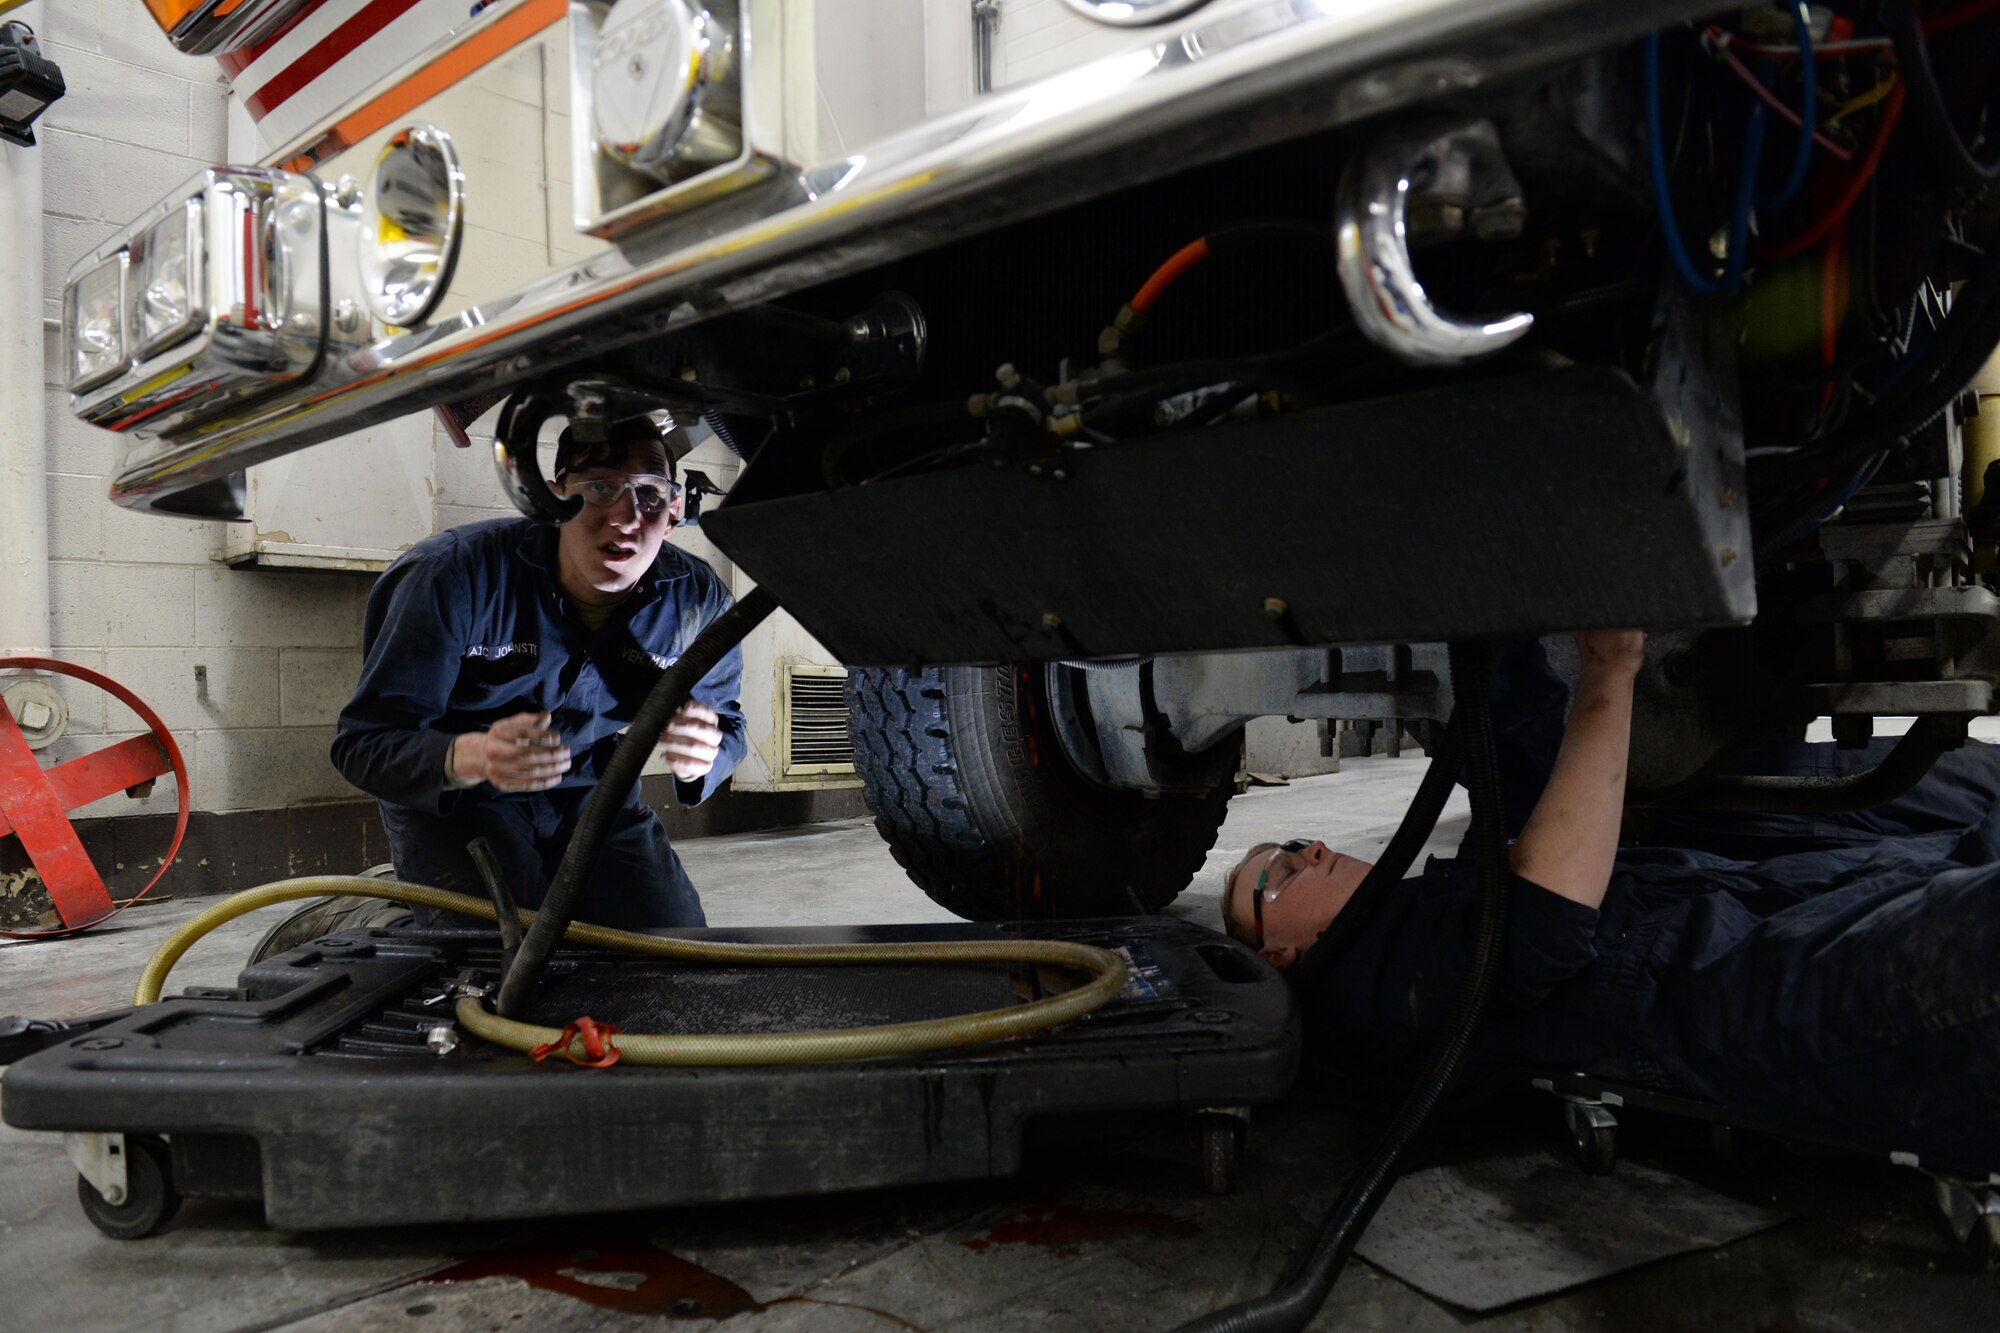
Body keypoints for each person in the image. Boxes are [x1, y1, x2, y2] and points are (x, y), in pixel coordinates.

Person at [1221, 632, 2000, 1169]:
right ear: (1280, 955)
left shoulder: (1422, 903)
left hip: (1716, 891)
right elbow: (1540, 929)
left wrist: (1496, 621)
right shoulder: (1368, 990)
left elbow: (1523, 761)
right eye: (1278, 873)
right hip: (1704, 982)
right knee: (1963, 950)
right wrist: (1610, 669)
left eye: (1296, 840)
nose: (1310, 849)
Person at [322, 414, 746, 933]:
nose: (626, 516)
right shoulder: (451, 575)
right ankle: (375, 917)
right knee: (504, 960)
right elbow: (363, 745)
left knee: (675, 949)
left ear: (675, 507)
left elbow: (728, 724)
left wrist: (705, 755)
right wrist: (470, 755)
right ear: (552, 499)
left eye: (651, 493)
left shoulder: (698, 601)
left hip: (595, 795)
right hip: (464, 800)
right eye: (598, 487)